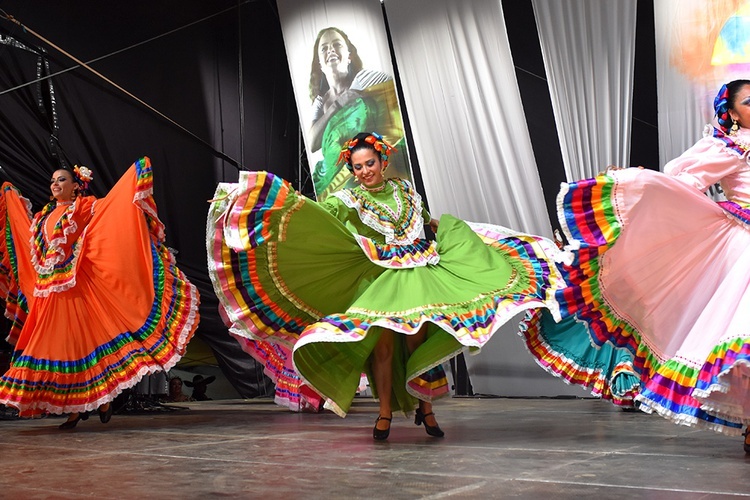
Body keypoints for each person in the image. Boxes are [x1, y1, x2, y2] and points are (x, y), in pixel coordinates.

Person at [207, 131, 567, 440]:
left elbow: (422, 222)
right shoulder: (347, 200)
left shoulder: (406, 192)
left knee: (417, 344)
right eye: (357, 167)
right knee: (382, 349)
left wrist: (451, 228)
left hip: (420, 274)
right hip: (382, 278)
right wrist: (257, 206)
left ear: (383, 161)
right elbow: (316, 214)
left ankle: (426, 410)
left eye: (370, 164)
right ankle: (384, 412)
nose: (364, 172)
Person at [523, 80, 750, 454]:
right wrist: (641, 184)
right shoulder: (728, 147)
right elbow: (684, 181)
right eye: (748, 101)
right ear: (732, 111)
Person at [0, 158, 200, 429]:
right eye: (52, 181)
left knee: (81, 347)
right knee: (60, 350)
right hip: (49, 292)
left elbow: (112, 214)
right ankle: (79, 407)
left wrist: (133, 177)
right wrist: (12, 200)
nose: (55, 184)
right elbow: (30, 242)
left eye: (61, 179)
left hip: (77, 289)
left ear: (75, 187)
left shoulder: (84, 206)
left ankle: (97, 401)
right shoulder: (42, 217)